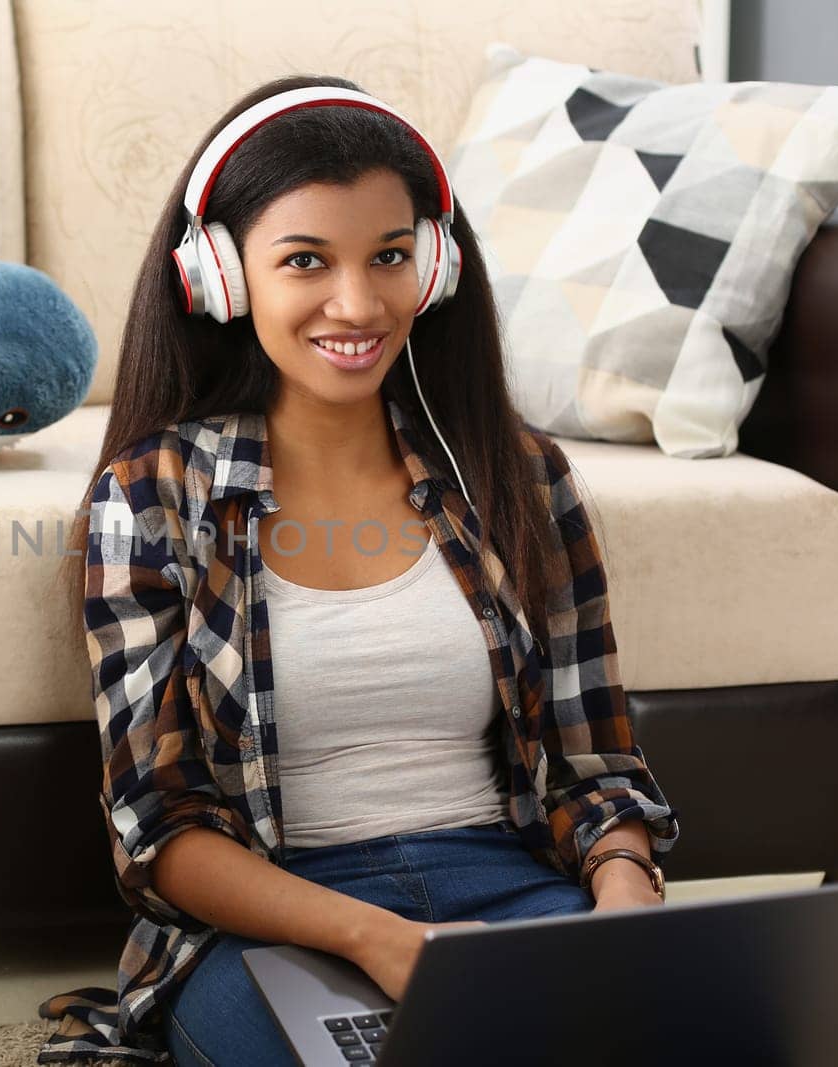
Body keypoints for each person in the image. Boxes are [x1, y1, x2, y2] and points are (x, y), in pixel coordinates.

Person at [39, 74, 680, 1066]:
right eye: (305, 260)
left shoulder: (520, 476)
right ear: (221, 276)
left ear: (435, 266)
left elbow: (591, 764)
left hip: (505, 883)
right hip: (277, 915)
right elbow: (160, 824)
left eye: (389, 256)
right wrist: (377, 935)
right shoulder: (153, 492)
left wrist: (623, 894)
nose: (358, 302)